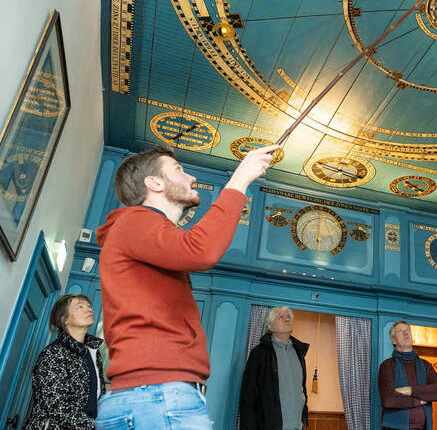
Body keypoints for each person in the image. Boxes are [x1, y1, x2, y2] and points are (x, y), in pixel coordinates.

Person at [94, 142, 279, 429]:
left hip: (155, 396)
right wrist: (240, 178)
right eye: (178, 170)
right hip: (157, 394)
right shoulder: (134, 222)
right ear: (154, 183)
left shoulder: (138, 231)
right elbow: (201, 249)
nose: (191, 177)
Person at [25, 294, 104, 430]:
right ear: (64, 319)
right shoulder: (53, 354)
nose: (89, 310)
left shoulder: (93, 352)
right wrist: (100, 426)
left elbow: (97, 397)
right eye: (80, 307)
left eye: (89, 306)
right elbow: (58, 409)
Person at [239, 306, 309, 430]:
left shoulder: (299, 353)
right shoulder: (259, 353)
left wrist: (303, 420)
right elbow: (248, 397)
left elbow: (302, 390)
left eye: (289, 317)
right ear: (270, 327)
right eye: (281, 317)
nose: (287, 320)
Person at [378, 320, 437, 430]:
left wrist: (409, 390)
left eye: (407, 330)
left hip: (423, 427)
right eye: (400, 331)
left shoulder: (426, 365)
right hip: (394, 428)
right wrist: (419, 400)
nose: (406, 333)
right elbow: (388, 399)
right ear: (393, 340)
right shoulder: (387, 366)